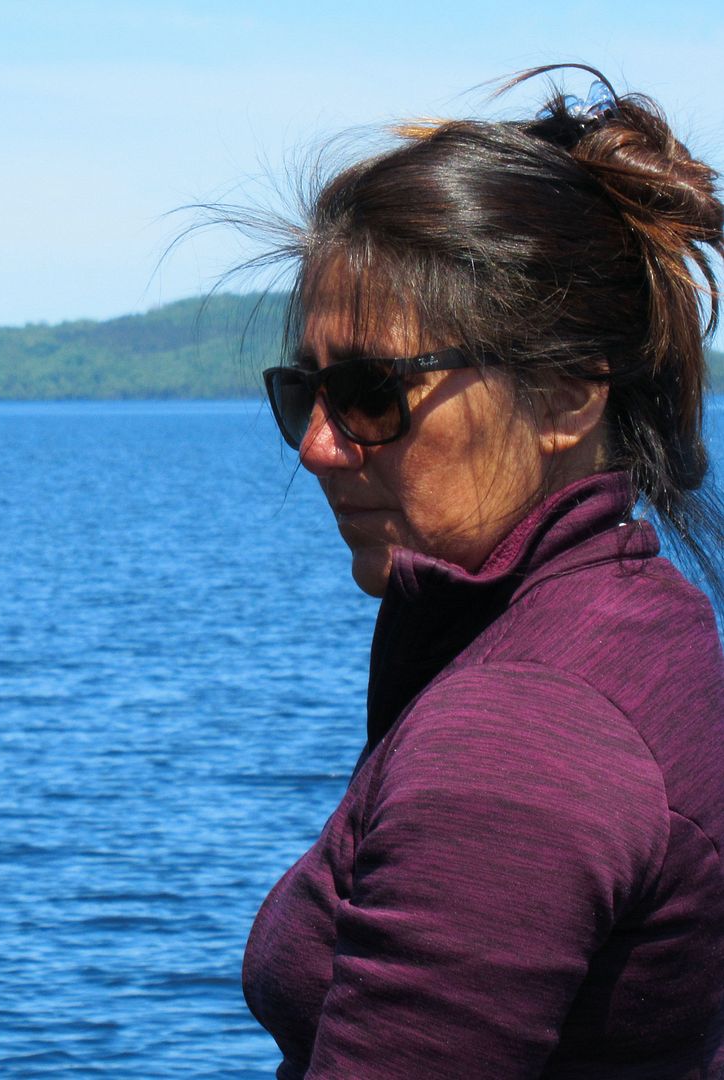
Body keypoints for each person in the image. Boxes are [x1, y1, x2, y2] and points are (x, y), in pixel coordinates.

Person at [238, 65, 724, 1076]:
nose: (318, 446)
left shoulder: (519, 740)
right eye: (303, 394)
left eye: (370, 391)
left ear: (567, 395)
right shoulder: (644, 621)